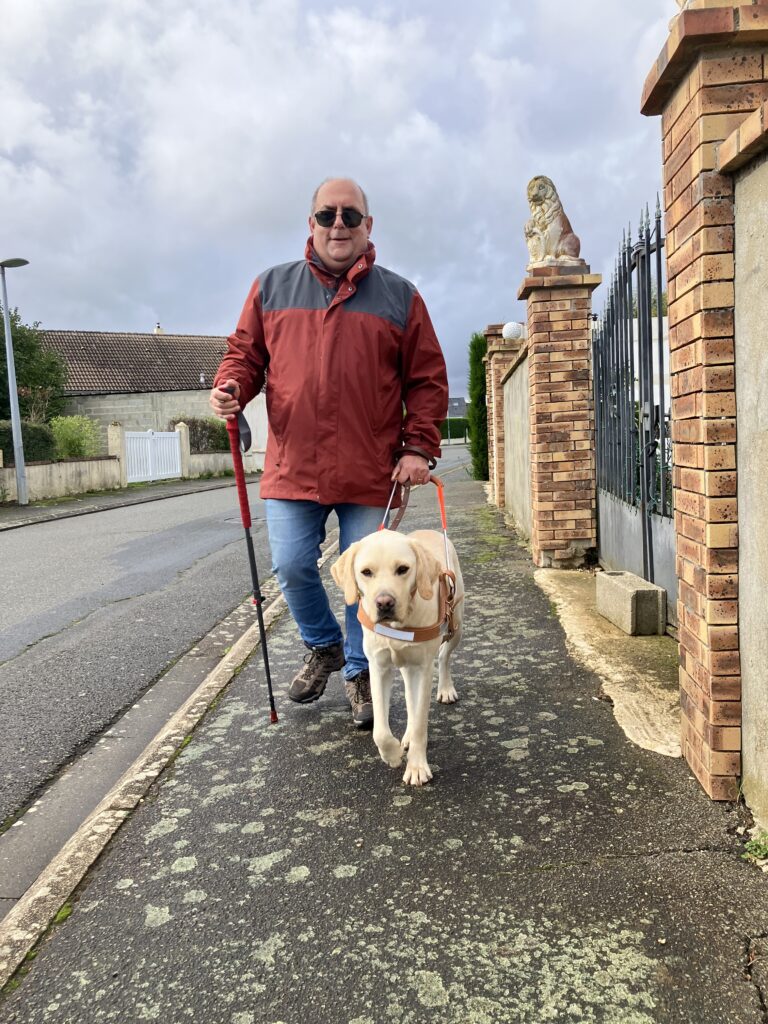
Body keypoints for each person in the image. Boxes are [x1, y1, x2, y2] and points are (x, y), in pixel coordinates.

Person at [210, 177, 448, 727]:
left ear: (368, 226)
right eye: (326, 215)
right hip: (294, 465)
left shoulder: (400, 296)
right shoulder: (271, 286)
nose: (337, 225)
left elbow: (428, 380)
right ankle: (325, 646)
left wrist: (419, 448)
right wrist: (230, 387)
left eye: (349, 215)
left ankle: (361, 672)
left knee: (371, 579)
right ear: (310, 224)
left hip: (374, 469)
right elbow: (244, 356)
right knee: (292, 566)